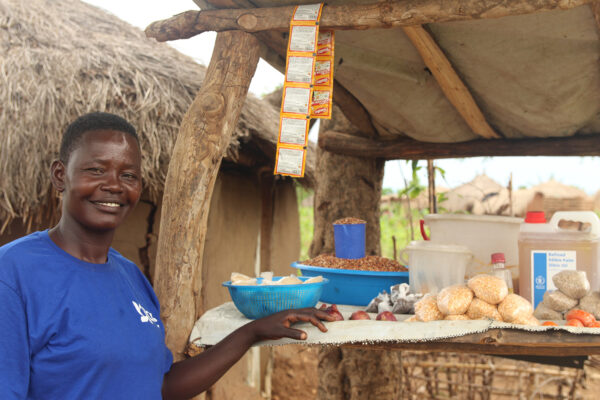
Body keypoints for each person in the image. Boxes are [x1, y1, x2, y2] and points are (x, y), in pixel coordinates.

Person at [0, 112, 334, 399]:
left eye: (128, 175)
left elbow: (158, 387)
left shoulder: (131, 278)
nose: (114, 185)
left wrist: (251, 332)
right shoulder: (14, 275)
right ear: (61, 175)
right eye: (96, 170)